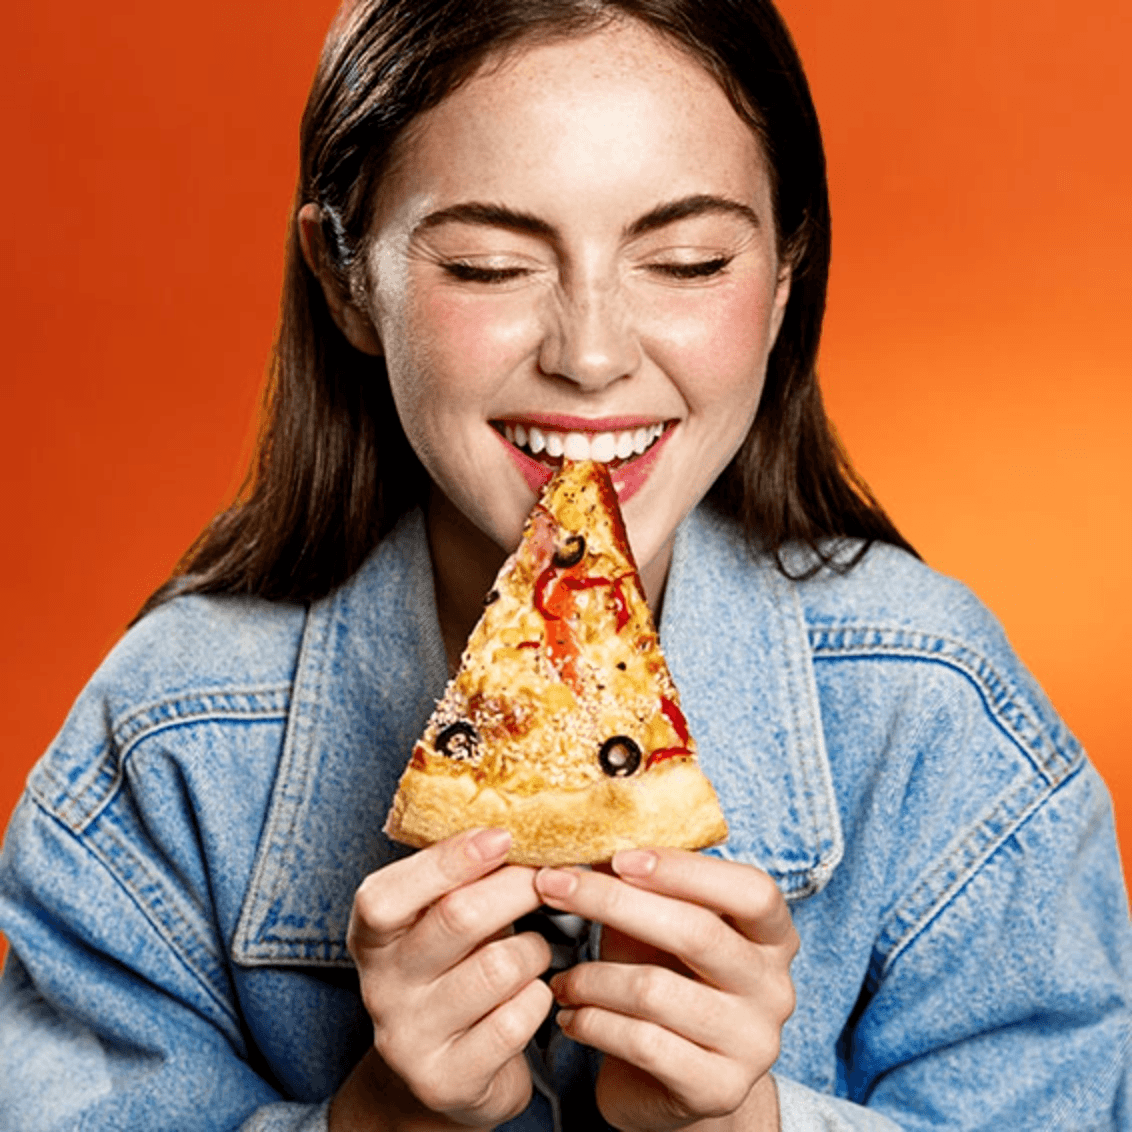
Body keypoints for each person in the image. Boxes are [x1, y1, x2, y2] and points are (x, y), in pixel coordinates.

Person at [0, 0, 1127, 1128]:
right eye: (490, 265)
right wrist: (384, 1118)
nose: (590, 356)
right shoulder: (168, 741)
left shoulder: (935, 712)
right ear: (347, 280)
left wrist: (741, 1123)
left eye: (685, 260)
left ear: (784, 274)